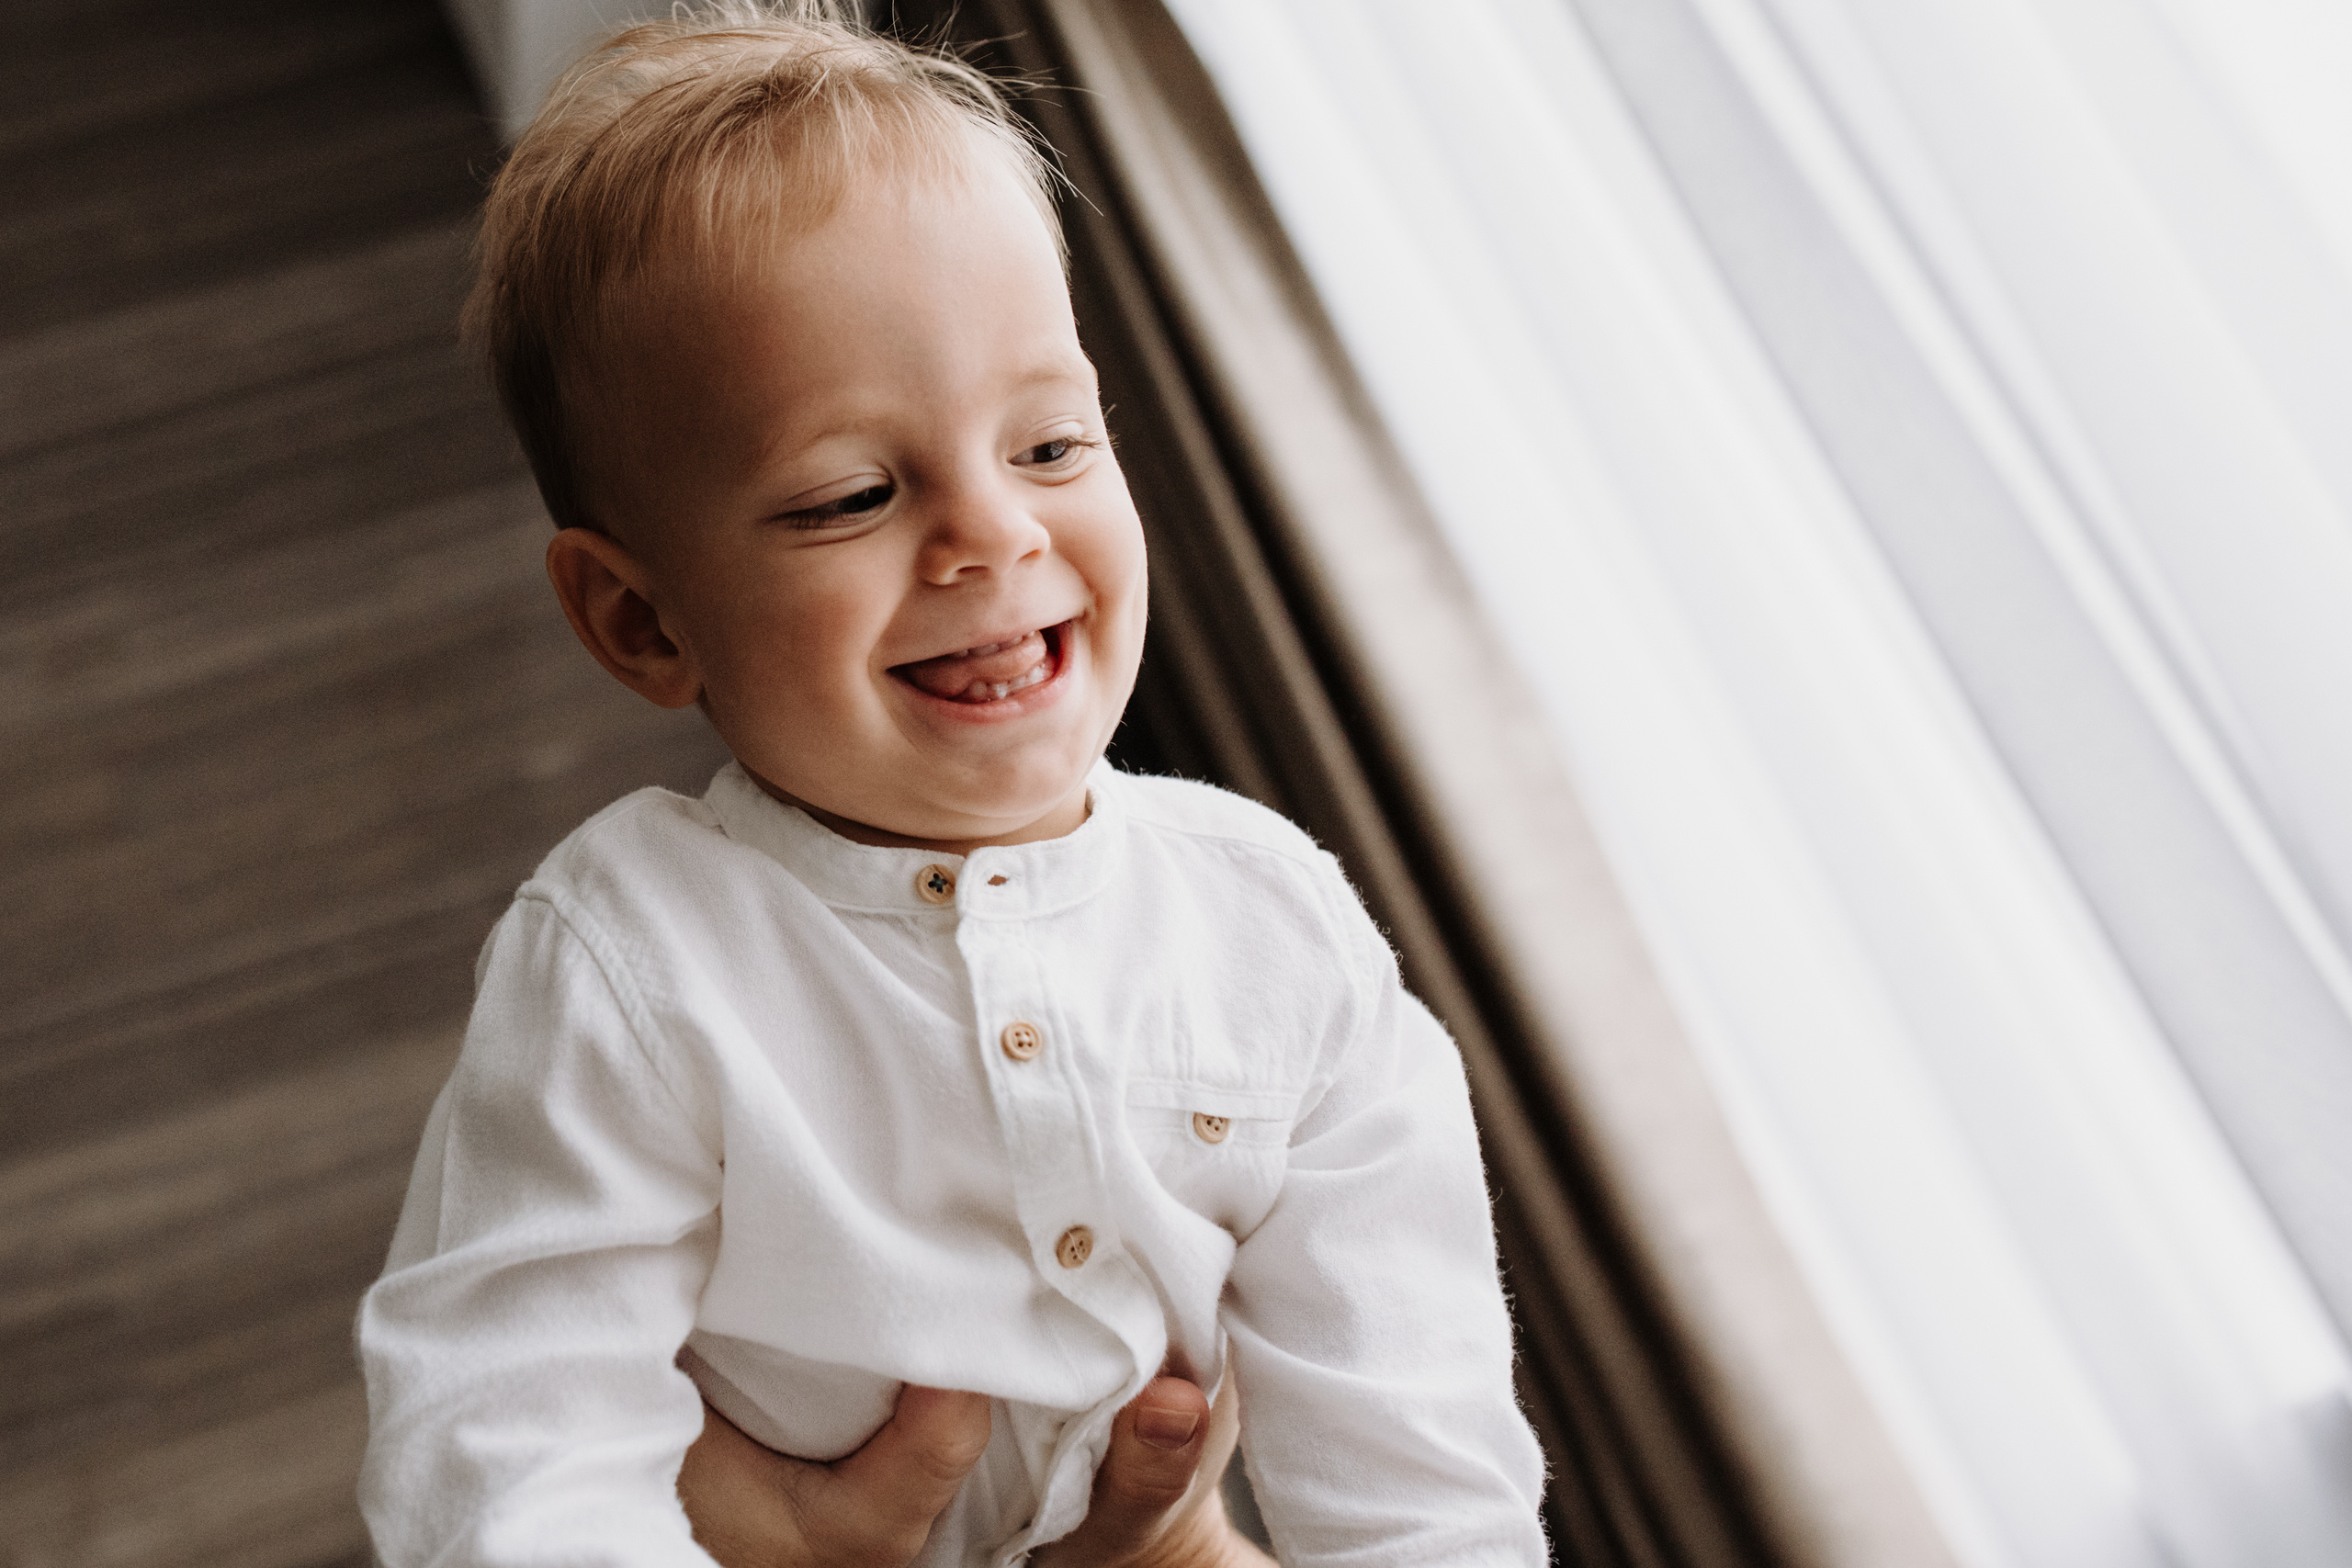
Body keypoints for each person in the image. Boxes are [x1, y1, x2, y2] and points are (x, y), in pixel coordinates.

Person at [356, 5, 1546, 1565]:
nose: (992, 535)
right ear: (643, 621)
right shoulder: (631, 964)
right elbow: (509, 1449)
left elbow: (1419, 1454)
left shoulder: (1274, 929)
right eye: (854, 492)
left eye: (1050, 445)